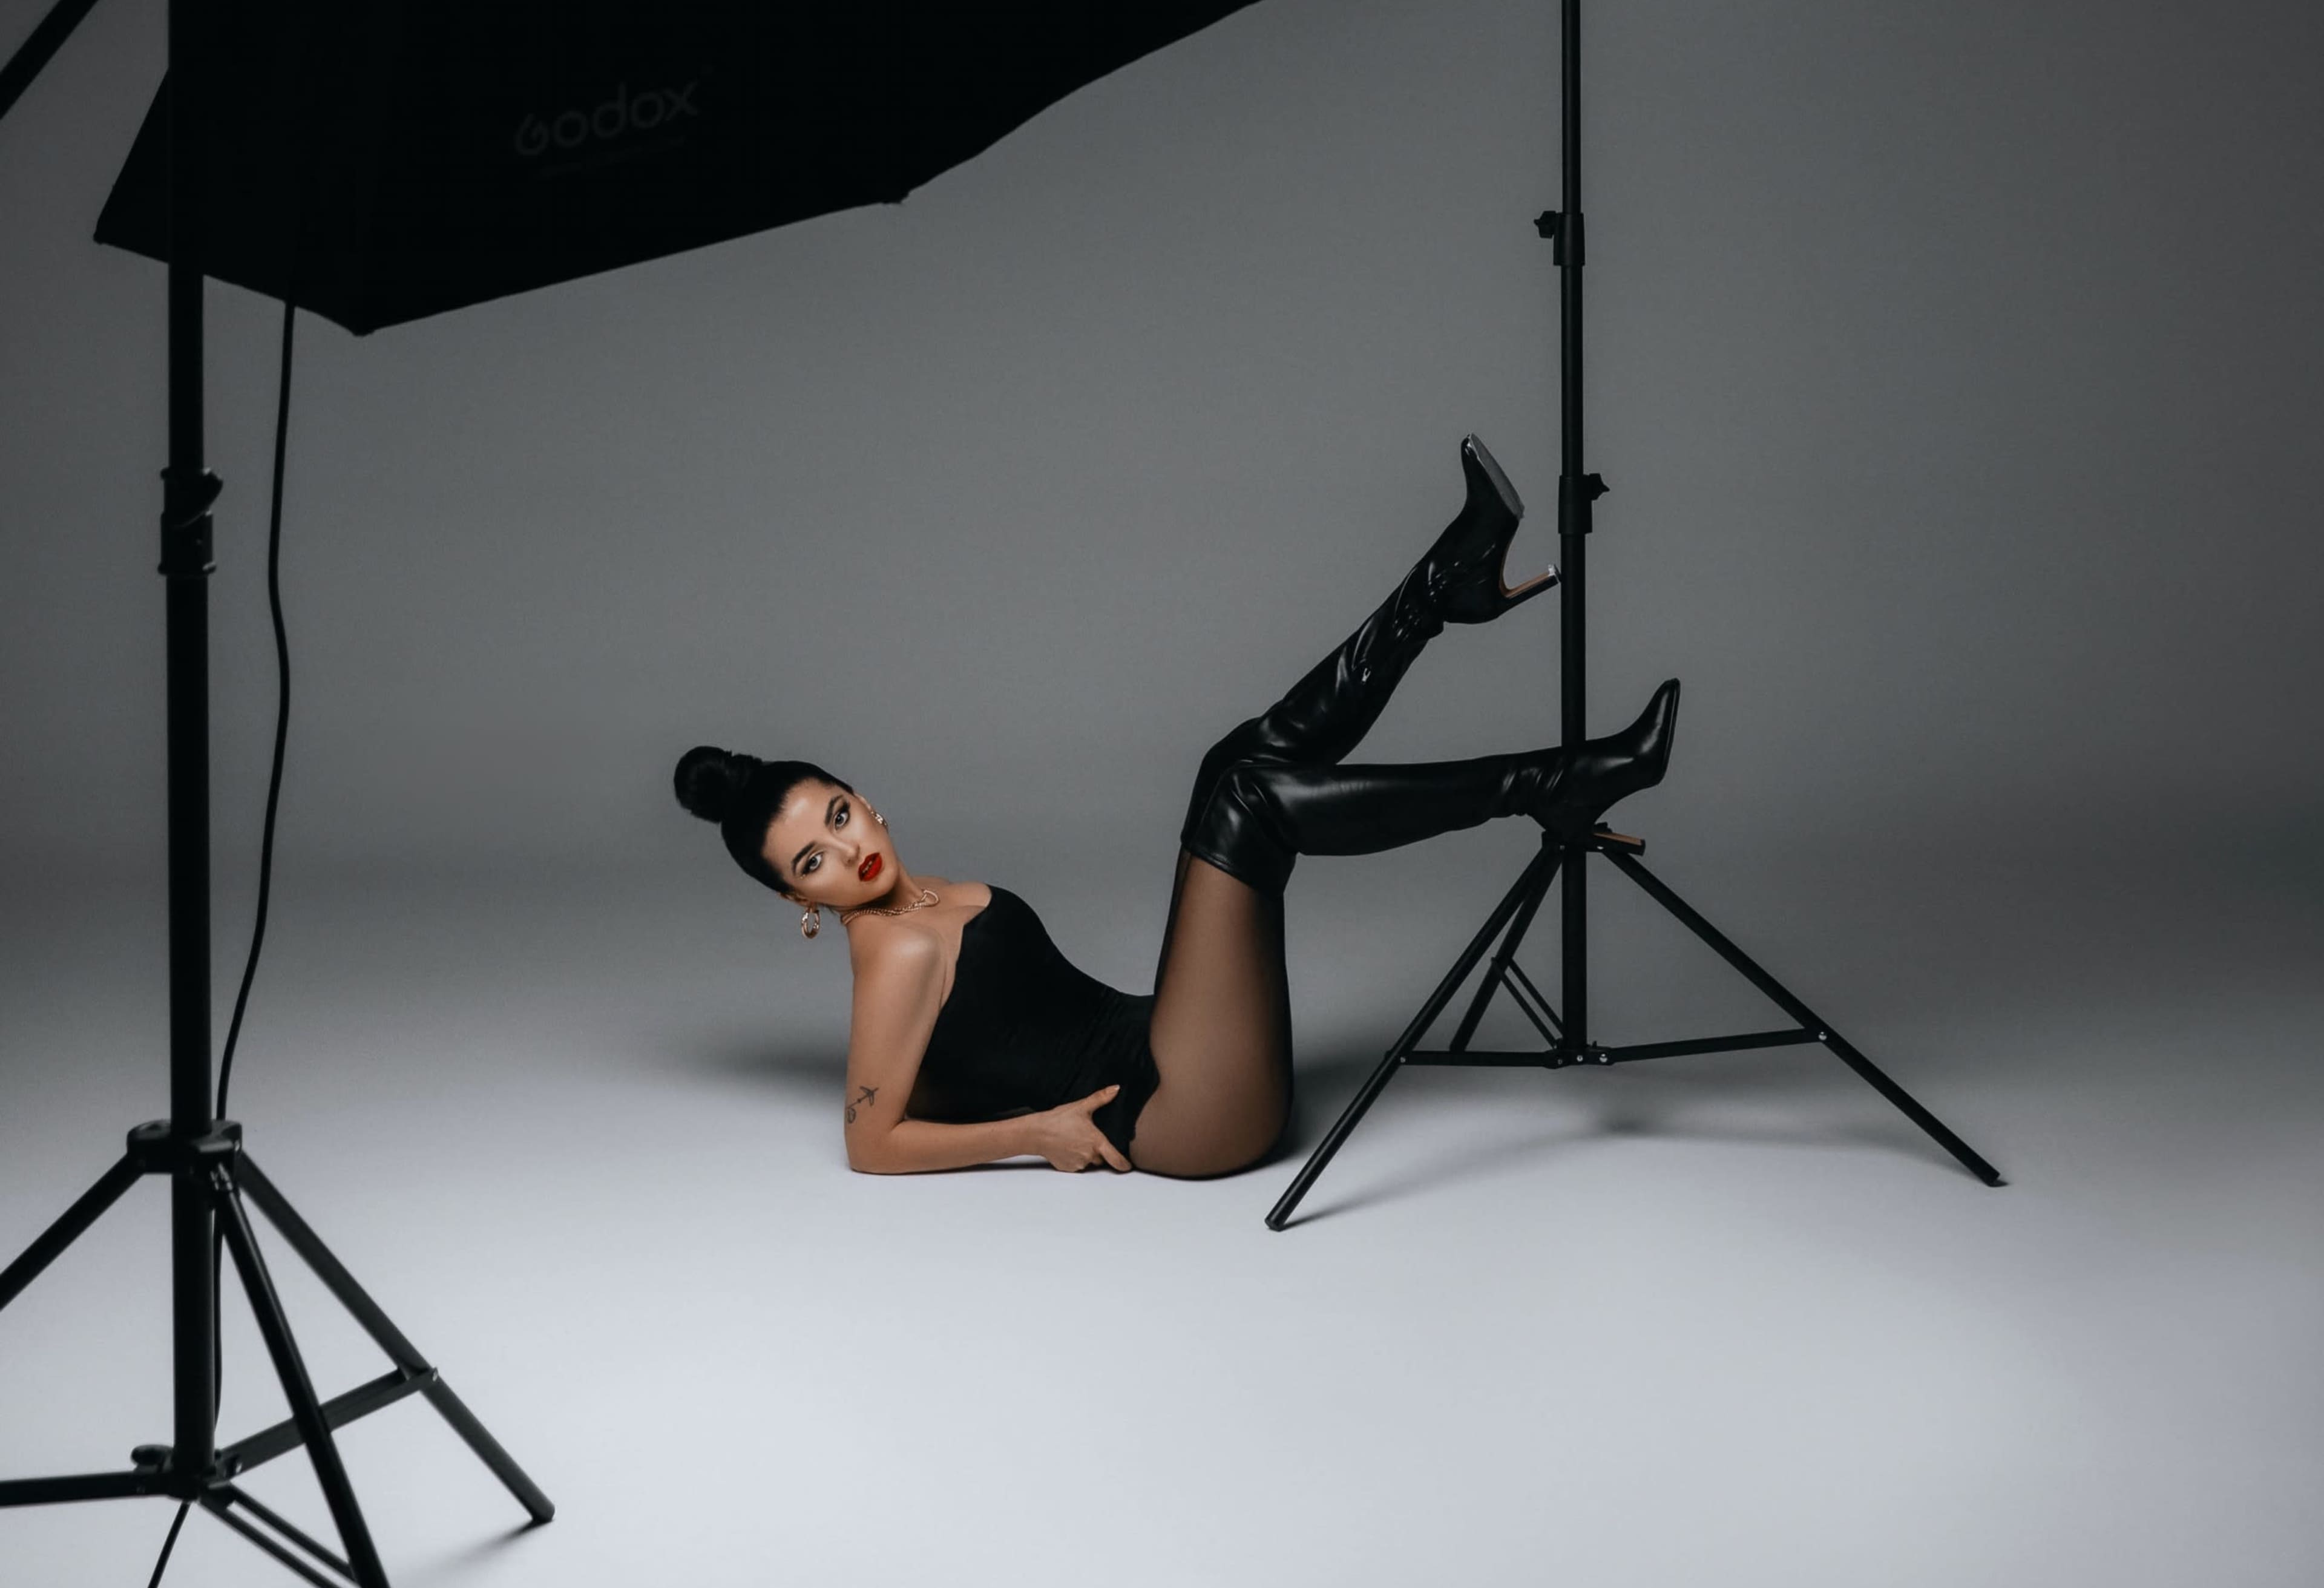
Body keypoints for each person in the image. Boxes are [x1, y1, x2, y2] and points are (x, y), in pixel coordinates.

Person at [675, 439, 1677, 1180]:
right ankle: (1553, 780)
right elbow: (868, 1141)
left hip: (1180, 1047)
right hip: (1180, 1116)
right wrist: (1038, 1133)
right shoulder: (888, 953)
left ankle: (1443, 589)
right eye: (809, 863)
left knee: (1232, 761)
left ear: (867, 800)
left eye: (838, 818)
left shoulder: (920, 897)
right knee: (1242, 793)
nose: (843, 855)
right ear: (795, 900)